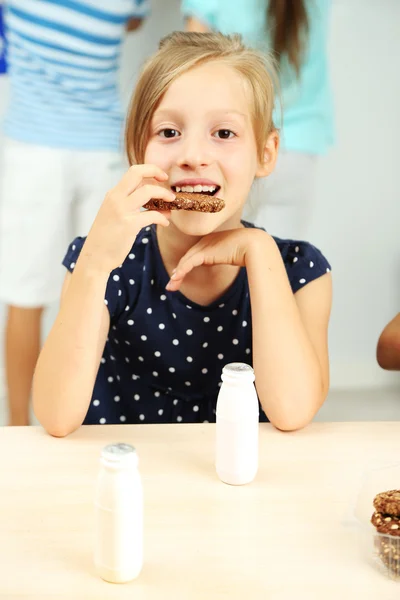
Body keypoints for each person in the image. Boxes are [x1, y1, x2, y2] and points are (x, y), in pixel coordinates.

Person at [32, 31, 332, 438]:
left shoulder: (301, 272)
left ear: (265, 154)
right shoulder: (106, 263)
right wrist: (95, 263)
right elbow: (55, 415)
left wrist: (258, 251)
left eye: (224, 134)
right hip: (124, 484)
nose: (193, 156)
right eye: (169, 133)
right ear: (137, 150)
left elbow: (292, 410)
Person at [0, 0, 149, 426]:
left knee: (37, 296)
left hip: (41, 147)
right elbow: (134, 22)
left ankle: (19, 429)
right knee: (98, 294)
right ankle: (73, 424)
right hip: (96, 146)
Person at [182, 0, 334, 240]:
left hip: (235, 147)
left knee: (216, 265)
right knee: (280, 266)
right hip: (300, 151)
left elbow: (187, 69)